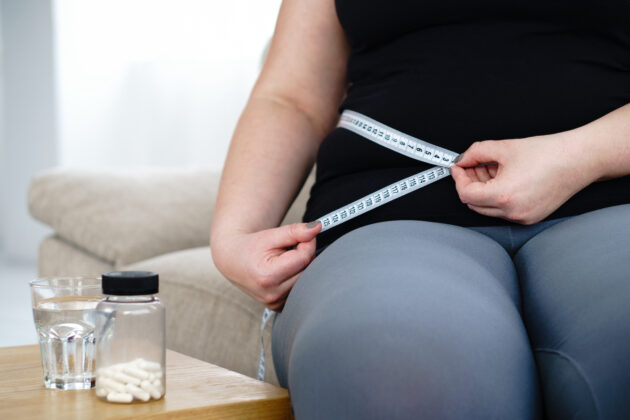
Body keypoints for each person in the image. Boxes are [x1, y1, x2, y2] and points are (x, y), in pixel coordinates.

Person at [210, 0, 630, 418]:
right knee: (389, 372)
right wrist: (234, 235)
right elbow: (291, 98)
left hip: (612, 201)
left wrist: (579, 156)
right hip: (387, 218)